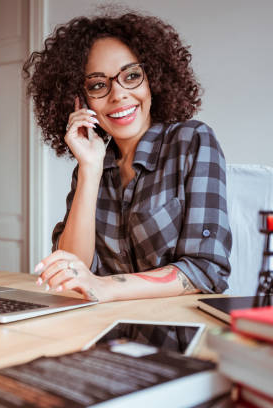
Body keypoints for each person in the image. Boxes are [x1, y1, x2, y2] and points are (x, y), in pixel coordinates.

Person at [22, 10, 232, 303]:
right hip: (106, 329)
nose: (118, 94)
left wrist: (107, 287)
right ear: (80, 101)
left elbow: (206, 269)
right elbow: (72, 270)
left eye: (131, 76)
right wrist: (90, 168)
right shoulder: (92, 163)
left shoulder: (192, 141)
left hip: (175, 332)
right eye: (98, 85)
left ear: (153, 80)